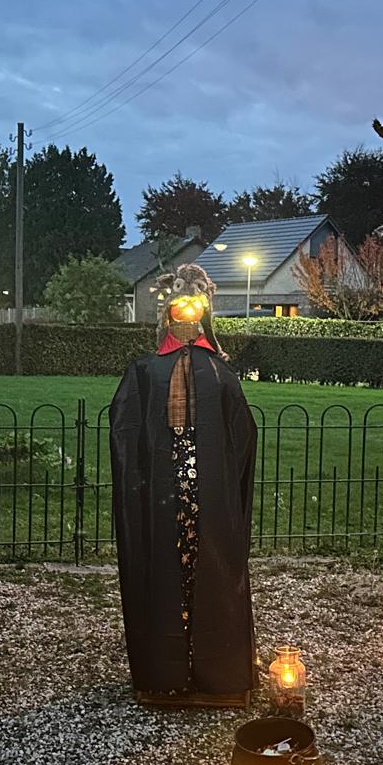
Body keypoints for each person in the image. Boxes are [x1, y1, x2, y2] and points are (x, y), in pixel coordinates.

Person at [109, 264, 256, 705]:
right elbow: (127, 429)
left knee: (208, 567)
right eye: (180, 312)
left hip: (206, 495)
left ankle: (218, 671)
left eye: (195, 312)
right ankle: (165, 670)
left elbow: (240, 435)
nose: (188, 321)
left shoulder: (219, 372)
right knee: (164, 568)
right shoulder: (147, 372)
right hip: (162, 492)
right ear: (169, 316)